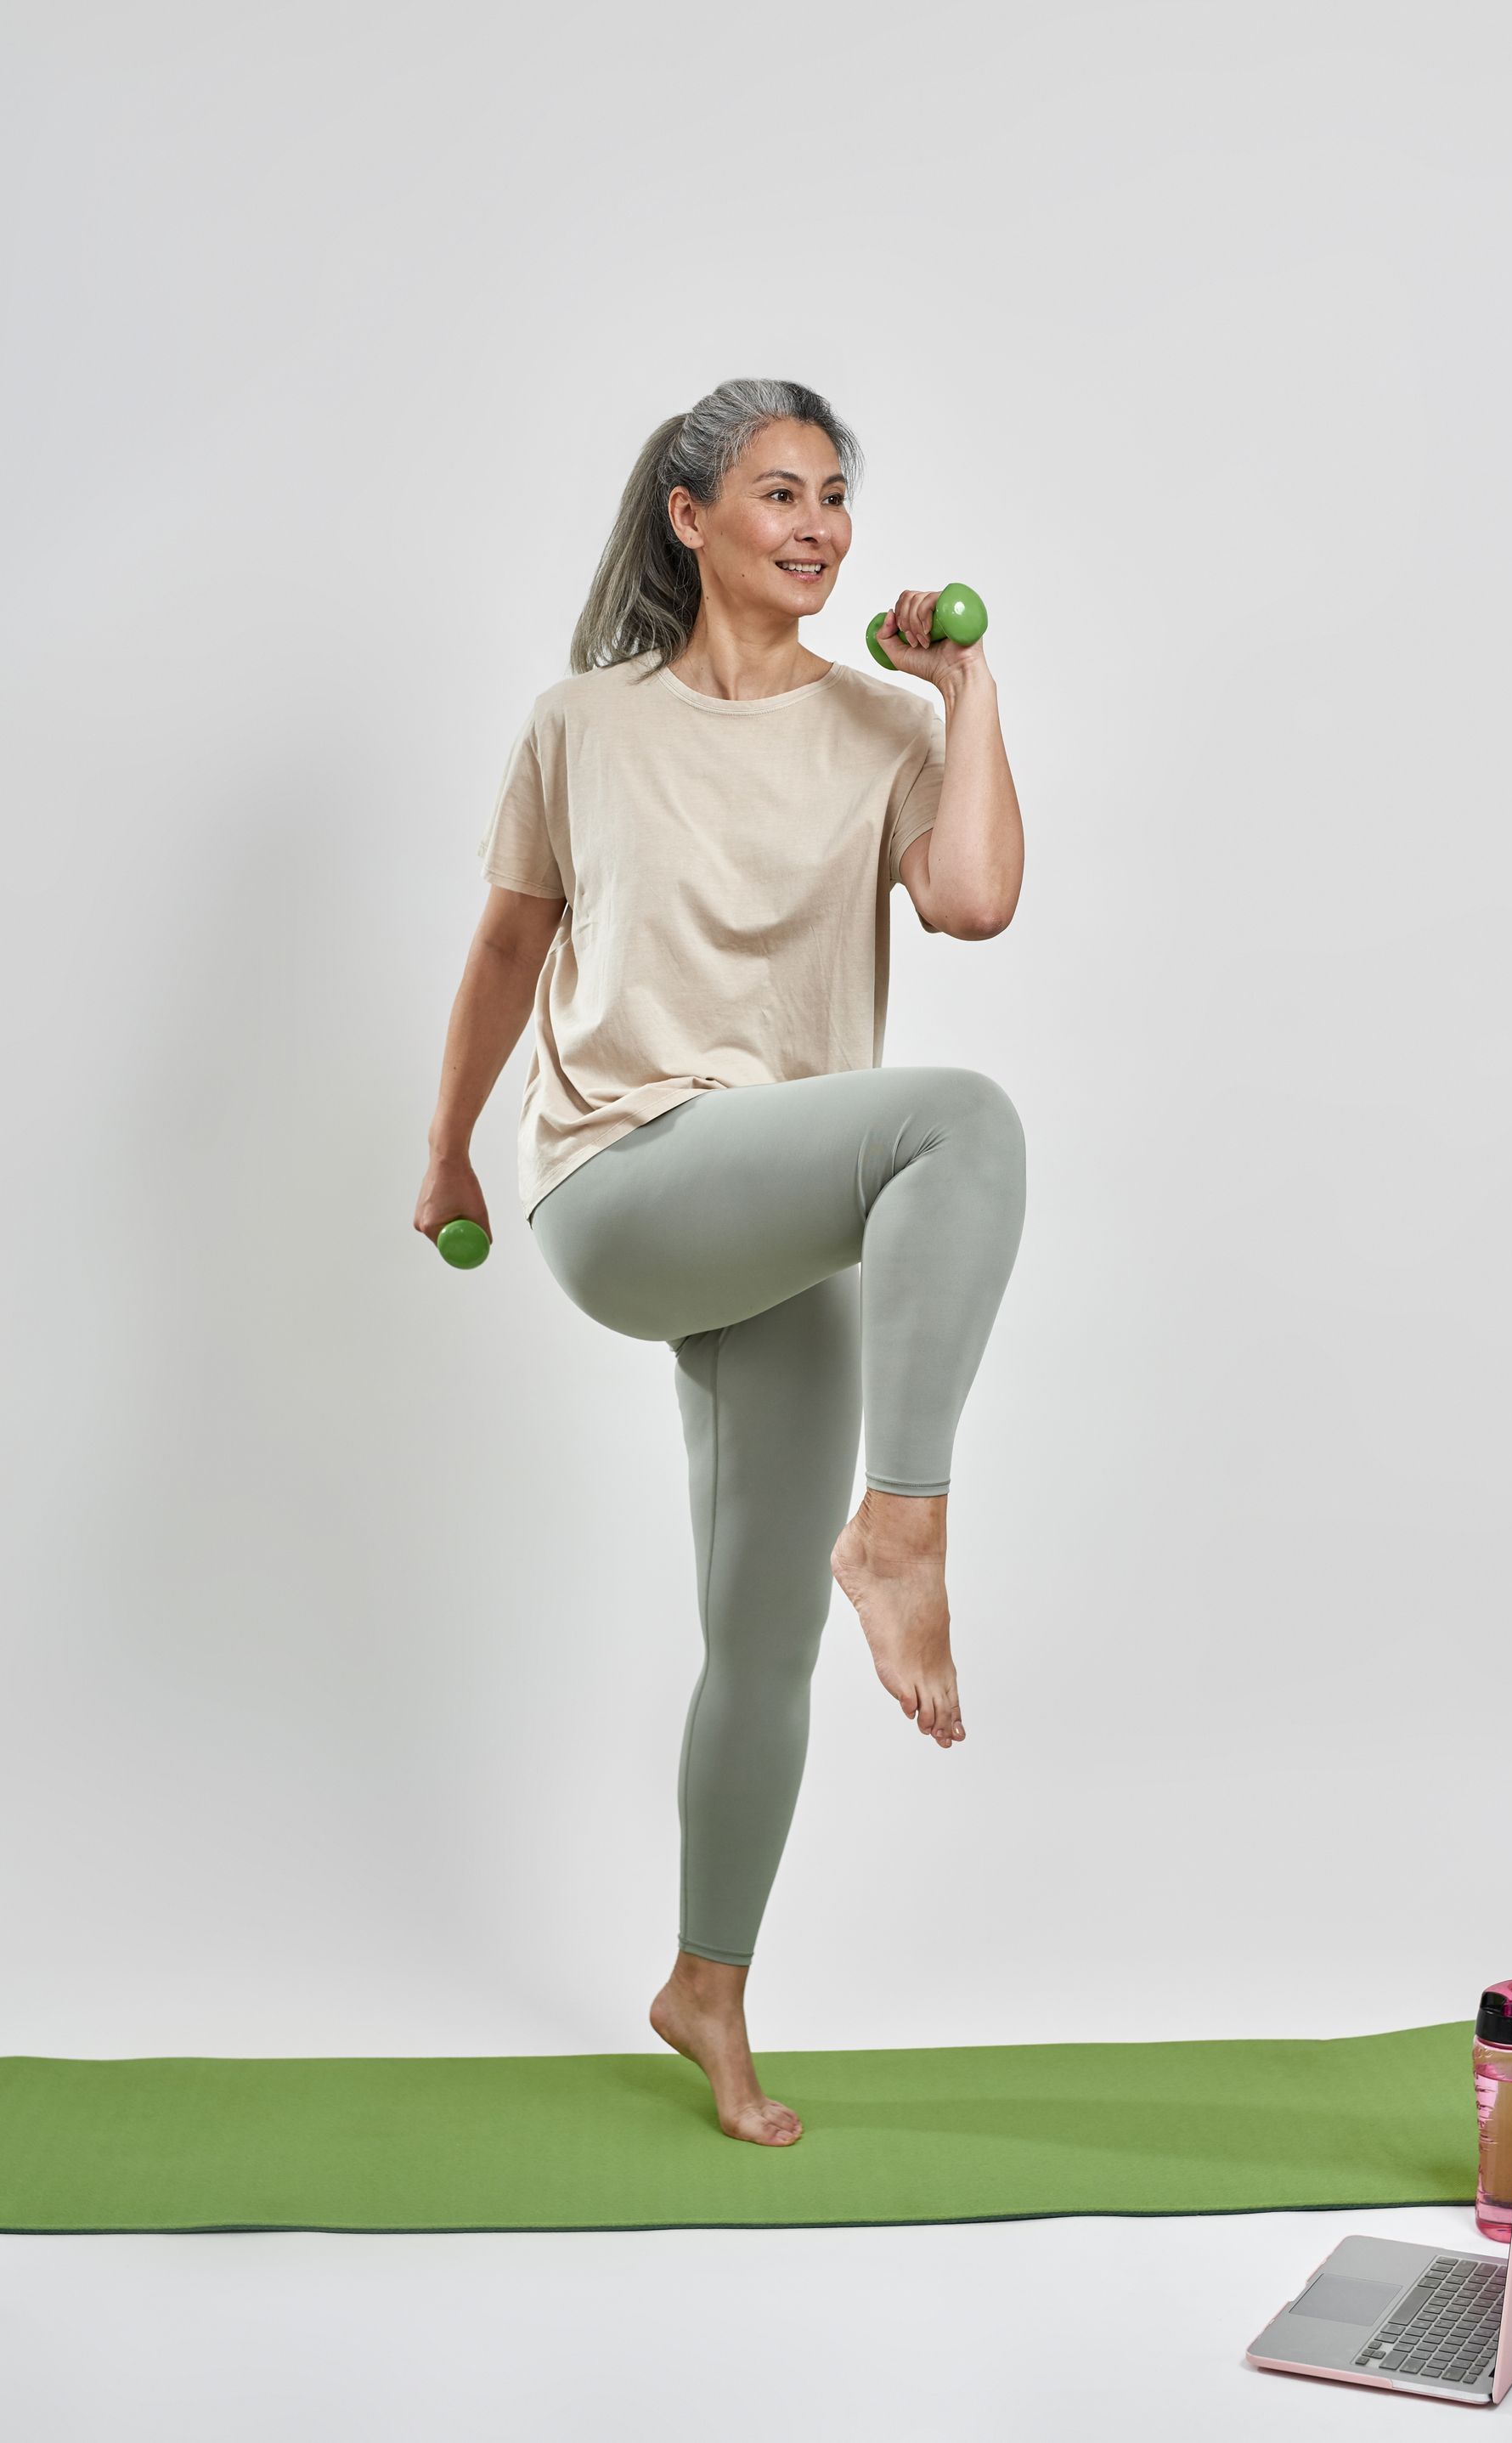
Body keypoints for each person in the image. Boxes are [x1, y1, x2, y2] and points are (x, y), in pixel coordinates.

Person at [415, 377, 1026, 2147]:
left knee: (761, 1645)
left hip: (781, 1208)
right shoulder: (582, 726)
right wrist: (442, 1148)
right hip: (622, 1179)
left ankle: (709, 1988)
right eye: (779, 492)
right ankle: (902, 1522)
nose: (819, 526)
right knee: (962, 1123)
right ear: (689, 516)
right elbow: (505, 950)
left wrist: (965, 689)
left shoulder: (881, 724)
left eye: (836, 496)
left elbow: (976, 898)